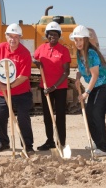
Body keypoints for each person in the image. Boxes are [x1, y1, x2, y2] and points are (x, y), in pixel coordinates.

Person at [71, 25, 106, 157]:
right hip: (96, 85)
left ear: (86, 40)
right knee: (89, 113)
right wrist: (78, 76)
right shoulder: (79, 53)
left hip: (105, 84)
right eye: (76, 40)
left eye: (80, 40)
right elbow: (82, 68)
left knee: (96, 113)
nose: (78, 43)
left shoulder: (90, 53)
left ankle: (103, 148)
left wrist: (86, 93)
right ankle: (97, 141)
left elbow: (95, 75)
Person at [0, 23, 35, 155]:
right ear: (6, 37)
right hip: (3, 92)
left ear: (20, 38)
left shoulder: (25, 53)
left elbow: (24, 76)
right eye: (10, 36)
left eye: (16, 37)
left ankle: (27, 145)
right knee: (0, 115)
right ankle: (3, 142)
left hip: (21, 92)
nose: (13, 39)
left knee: (23, 118)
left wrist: (9, 86)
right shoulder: (1, 47)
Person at [33, 21, 71, 150]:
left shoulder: (63, 50)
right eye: (50, 34)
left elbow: (66, 72)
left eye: (55, 34)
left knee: (60, 116)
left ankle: (62, 142)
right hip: (45, 88)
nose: (52, 37)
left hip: (59, 88)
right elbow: (33, 58)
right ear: (46, 35)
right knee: (47, 116)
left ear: (59, 35)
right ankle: (50, 141)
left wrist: (54, 87)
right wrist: (37, 63)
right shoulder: (42, 48)